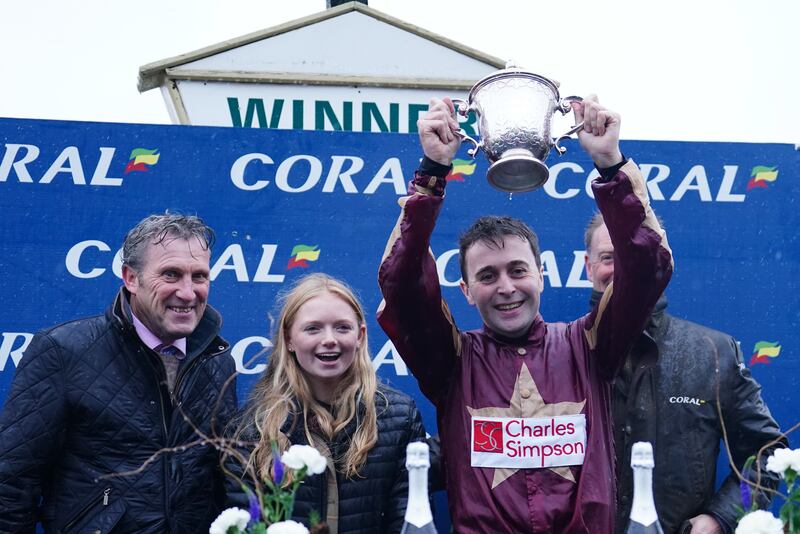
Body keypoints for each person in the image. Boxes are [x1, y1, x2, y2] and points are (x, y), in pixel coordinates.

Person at [376, 95, 674, 533]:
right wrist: (433, 171)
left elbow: (649, 268)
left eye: (518, 270)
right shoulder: (452, 360)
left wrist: (610, 165)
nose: (506, 287)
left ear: (542, 274)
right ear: (467, 292)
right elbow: (400, 285)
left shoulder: (590, 345)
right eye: (488, 276)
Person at [0, 214, 237, 533]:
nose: (187, 292)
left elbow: (225, 481)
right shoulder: (62, 351)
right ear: (131, 278)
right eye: (171, 274)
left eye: (199, 277)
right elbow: (11, 483)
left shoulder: (218, 360)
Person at [584, 213, 786, 534]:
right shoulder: (563, 351)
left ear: (658, 263)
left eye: (634, 256)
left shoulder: (712, 351)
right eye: (609, 257)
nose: (622, 268)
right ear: (589, 266)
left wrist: (720, 517)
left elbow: (767, 455)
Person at [227, 273, 426, 533]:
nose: (330, 339)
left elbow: (407, 522)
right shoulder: (251, 429)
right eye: (313, 328)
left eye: (342, 327)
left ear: (360, 336)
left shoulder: (399, 418)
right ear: (288, 339)